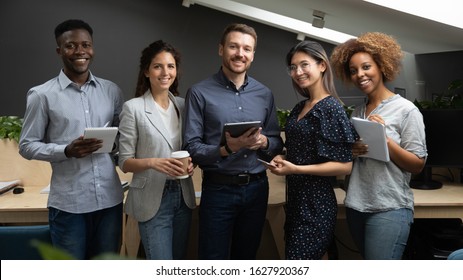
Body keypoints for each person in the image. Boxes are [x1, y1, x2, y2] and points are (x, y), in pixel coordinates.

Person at [19, 19, 124, 259]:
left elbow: (121, 141)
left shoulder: (111, 91)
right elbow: (26, 146)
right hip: (69, 205)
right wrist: (66, 150)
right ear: (59, 51)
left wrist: (116, 145)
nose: (80, 51)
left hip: (110, 201)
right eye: (71, 46)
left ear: (92, 48)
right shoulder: (41, 95)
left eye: (86, 45)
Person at [183, 23, 284, 260]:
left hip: (257, 189)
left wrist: (263, 143)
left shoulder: (264, 94)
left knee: (246, 258)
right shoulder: (199, 92)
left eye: (247, 49)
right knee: (212, 259)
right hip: (218, 191)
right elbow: (192, 147)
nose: (240, 53)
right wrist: (229, 148)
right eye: (234, 46)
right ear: (221, 49)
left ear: (253, 55)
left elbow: (276, 143)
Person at [330, 32, 427, 259]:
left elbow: (417, 165)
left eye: (366, 67)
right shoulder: (358, 111)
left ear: (382, 66)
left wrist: (386, 140)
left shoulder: (406, 111)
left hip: (389, 208)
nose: (360, 75)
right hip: (356, 205)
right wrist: (352, 152)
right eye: (353, 71)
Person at [267, 41, 356, 260]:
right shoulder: (300, 107)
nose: (298, 72)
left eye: (304, 65)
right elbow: (303, 151)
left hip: (316, 204)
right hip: (296, 200)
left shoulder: (331, 108)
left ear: (322, 65)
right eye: (293, 67)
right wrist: (283, 157)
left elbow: (345, 165)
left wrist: (295, 168)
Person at [118, 40, 196, 260]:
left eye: (170, 66)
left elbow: (191, 147)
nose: (165, 72)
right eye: (158, 66)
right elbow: (124, 161)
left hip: (183, 195)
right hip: (152, 198)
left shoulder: (183, 105)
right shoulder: (133, 108)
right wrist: (153, 162)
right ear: (146, 71)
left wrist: (191, 163)